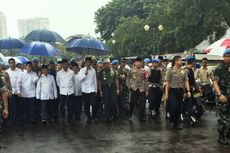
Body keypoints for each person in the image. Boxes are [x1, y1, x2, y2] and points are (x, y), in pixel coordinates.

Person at [164, 56, 191, 130]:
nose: (181, 62)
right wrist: (166, 94)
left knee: (179, 107)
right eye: (180, 60)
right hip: (172, 90)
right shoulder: (170, 71)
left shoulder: (183, 71)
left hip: (180, 91)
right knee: (173, 106)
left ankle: (177, 123)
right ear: (175, 61)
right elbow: (167, 83)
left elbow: (186, 81)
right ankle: (172, 121)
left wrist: (188, 91)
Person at [212, 49, 230, 145]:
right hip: (222, 97)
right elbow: (215, 83)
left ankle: (228, 135)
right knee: (223, 118)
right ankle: (221, 136)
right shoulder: (219, 68)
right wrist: (220, 94)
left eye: (229, 56)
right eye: (225, 56)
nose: (227, 58)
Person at [127, 57, 148, 122]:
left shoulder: (144, 71)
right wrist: (128, 85)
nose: (138, 63)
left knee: (142, 103)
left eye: (140, 62)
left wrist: (146, 90)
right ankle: (130, 113)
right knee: (132, 102)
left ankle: (140, 116)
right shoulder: (131, 70)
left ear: (141, 63)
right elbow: (128, 78)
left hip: (141, 89)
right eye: (137, 62)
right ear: (135, 63)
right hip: (134, 88)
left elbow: (146, 80)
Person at [78, 57, 97, 124]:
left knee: (93, 103)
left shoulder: (93, 70)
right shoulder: (82, 70)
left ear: (91, 63)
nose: (88, 63)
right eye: (87, 62)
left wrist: (96, 90)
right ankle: (88, 117)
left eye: (89, 62)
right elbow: (79, 79)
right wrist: (84, 74)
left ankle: (94, 116)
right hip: (85, 90)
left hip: (92, 90)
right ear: (85, 63)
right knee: (86, 106)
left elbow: (95, 80)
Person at [6, 58, 22, 123]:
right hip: (10, 92)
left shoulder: (20, 71)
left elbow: (22, 81)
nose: (12, 64)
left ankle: (19, 118)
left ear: (15, 63)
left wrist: (19, 91)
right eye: (11, 63)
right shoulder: (6, 72)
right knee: (12, 106)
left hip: (18, 91)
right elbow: (6, 82)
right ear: (9, 64)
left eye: (13, 62)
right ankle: (13, 119)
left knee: (19, 105)